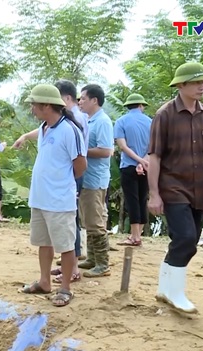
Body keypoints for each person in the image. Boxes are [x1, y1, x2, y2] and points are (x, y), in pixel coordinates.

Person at [149, 62, 203, 314]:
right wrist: (154, 194)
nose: (202, 87)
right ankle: (176, 293)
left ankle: (164, 288)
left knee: (191, 240)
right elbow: (154, 156)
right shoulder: (164, 115)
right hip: (172, 186)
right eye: (196, 82)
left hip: (198, 187)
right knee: (185, 238)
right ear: (181, 85)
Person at [13, 79, 89, 284]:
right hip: (40, 198)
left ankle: (65, 288)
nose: (31, 108)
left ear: (46, 106)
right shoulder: (45, 127)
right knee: (44, 243)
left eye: (33, 104)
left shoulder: (70, 130)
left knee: (65, 245)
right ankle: (44, 281)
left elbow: (81, 165)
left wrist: (62, 182)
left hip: (59, 199)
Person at [77, 84, 114, 278]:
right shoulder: (89, 120)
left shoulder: (103, 122)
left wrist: (81, 151)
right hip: (87, 178)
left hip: (95, 179)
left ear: (94, 100)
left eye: (83, 98)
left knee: (95, 221)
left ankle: (102, 263)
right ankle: (92, 258)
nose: (80, 101)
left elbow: (106, 150)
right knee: (88, 220)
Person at [114, 94, 152, 247]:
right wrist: (143, 161)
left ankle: (135, 237)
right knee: (142, 199)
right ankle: (137, 234)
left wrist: (138, 161)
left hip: (129, 165)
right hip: (147, 165)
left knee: (132, 200)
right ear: (141, 106)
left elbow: (123, 146)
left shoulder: (121, 121)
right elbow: (153, 147)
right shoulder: (151, 122)